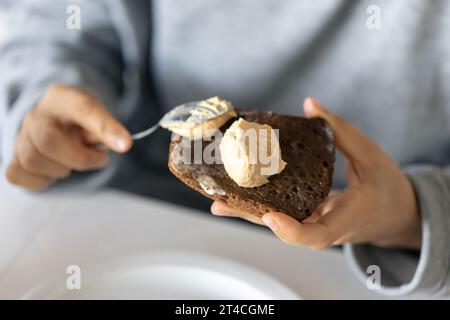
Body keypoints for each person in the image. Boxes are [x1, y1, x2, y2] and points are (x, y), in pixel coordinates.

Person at [0, 0, 449, 298]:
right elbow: (62, 20)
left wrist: (411, 215)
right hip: (135, 211)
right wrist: (49, 94)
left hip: (374, 262)